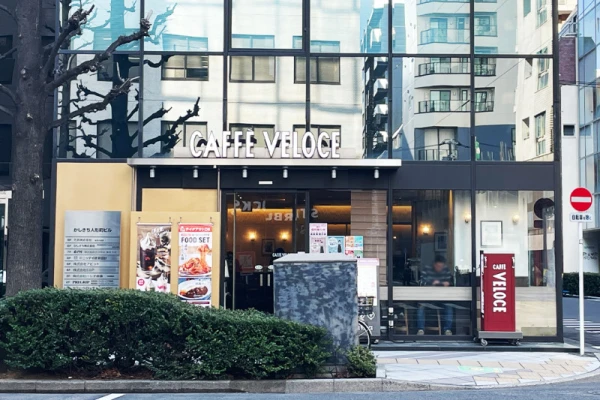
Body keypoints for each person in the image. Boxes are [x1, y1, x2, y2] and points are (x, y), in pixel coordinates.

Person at [416, 255, 454, 335]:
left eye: (441, 267)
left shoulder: (446, 270)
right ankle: (420, 329)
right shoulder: (427, 269)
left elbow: (451, 283)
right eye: (438, 266)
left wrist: (447, 283)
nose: (439, 268)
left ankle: (447, 330)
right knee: (421, 307)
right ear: (434, 264)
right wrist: (431, 283)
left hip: (443, 297)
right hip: (427, 297)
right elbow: (421, 282)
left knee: (449, 307)